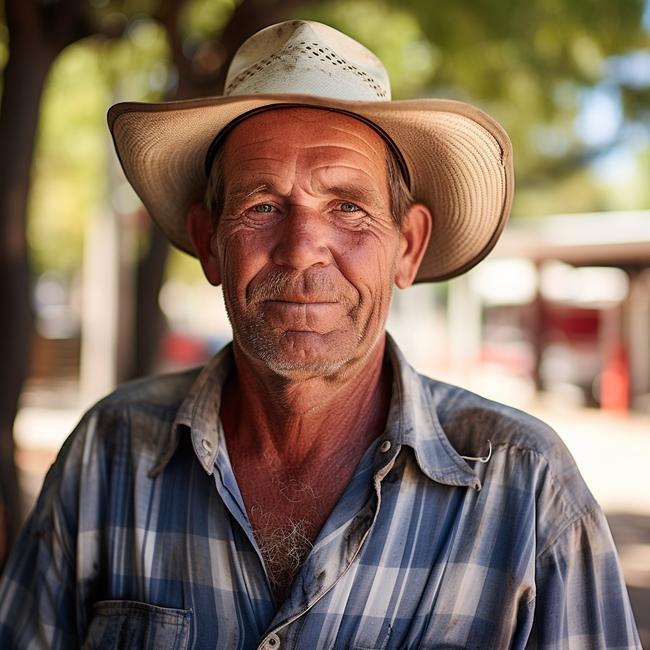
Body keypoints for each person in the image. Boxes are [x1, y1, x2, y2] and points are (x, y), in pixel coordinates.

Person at [0, 20, 641, 650]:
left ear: (407, 247)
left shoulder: (527, 487)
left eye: (348, 208)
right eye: (262, 207)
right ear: (209, 243)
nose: (303, 250)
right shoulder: (109, 453)